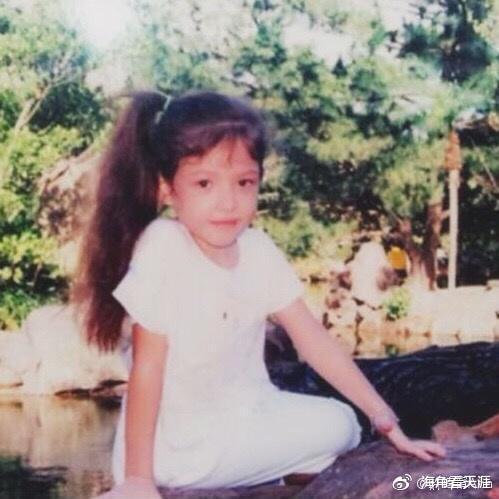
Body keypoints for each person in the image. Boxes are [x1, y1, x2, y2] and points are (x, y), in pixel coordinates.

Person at [72, 90, 446, 499]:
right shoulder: (164, 245)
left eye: (244, 182)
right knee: (335, 431)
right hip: (177, 447)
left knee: (342, 422)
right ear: (166, 188)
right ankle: (262, 472)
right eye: (204, 183)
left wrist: (386, 421)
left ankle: (279, 474)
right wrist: (138, 480)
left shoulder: (258, 249)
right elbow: (147, 369)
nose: (228, 202)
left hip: (246, 415)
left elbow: (314, 342)